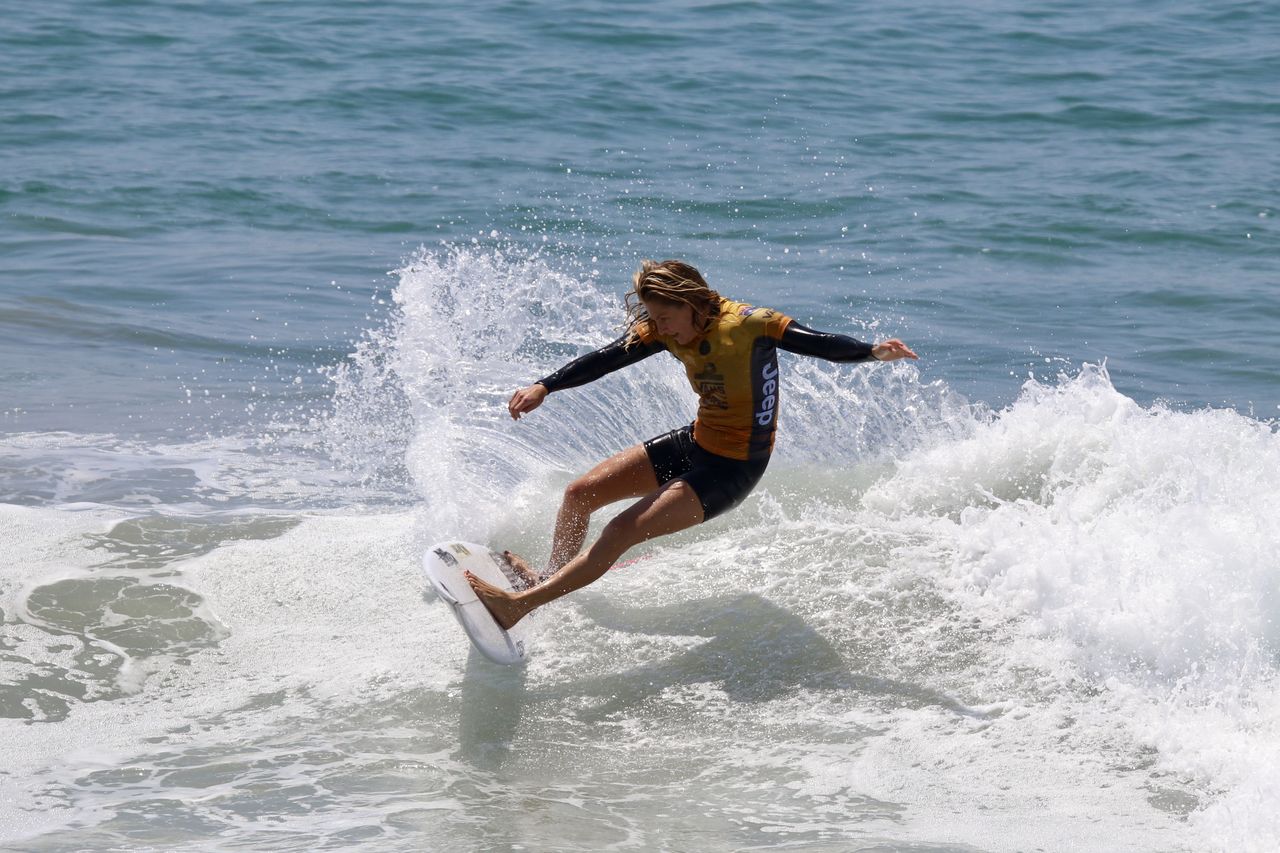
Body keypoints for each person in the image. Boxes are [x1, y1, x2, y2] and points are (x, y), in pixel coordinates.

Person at [465, 259, 918, 629]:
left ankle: (520, 605)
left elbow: (816, 342)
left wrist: (870, 351)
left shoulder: (748, 325)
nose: (658, 327)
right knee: (580, 494)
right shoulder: (665, 328)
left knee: (620, 531)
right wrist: (546, 386)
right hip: (696, 441)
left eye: (665, 317)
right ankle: (548, 579)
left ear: (689, 303)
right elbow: (605, 359)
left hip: (732, 470)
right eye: (652, 318)